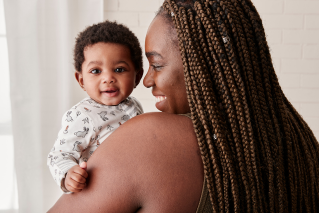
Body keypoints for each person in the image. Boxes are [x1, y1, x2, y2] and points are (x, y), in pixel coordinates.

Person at [48, 0, 319, 212]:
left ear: (202, 66)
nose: (147, 80)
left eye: (156, 65)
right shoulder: (299, 143)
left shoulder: (151, 138)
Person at [47, 20, 144, 194]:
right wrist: (69, 174)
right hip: (97, 193)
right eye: (96, 71)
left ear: (137, 76)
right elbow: (58, 155)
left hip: (132, 189)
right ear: (81, 80)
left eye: (120, 69)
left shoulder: (134, 105)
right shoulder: (81, 115)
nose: (108, 78)